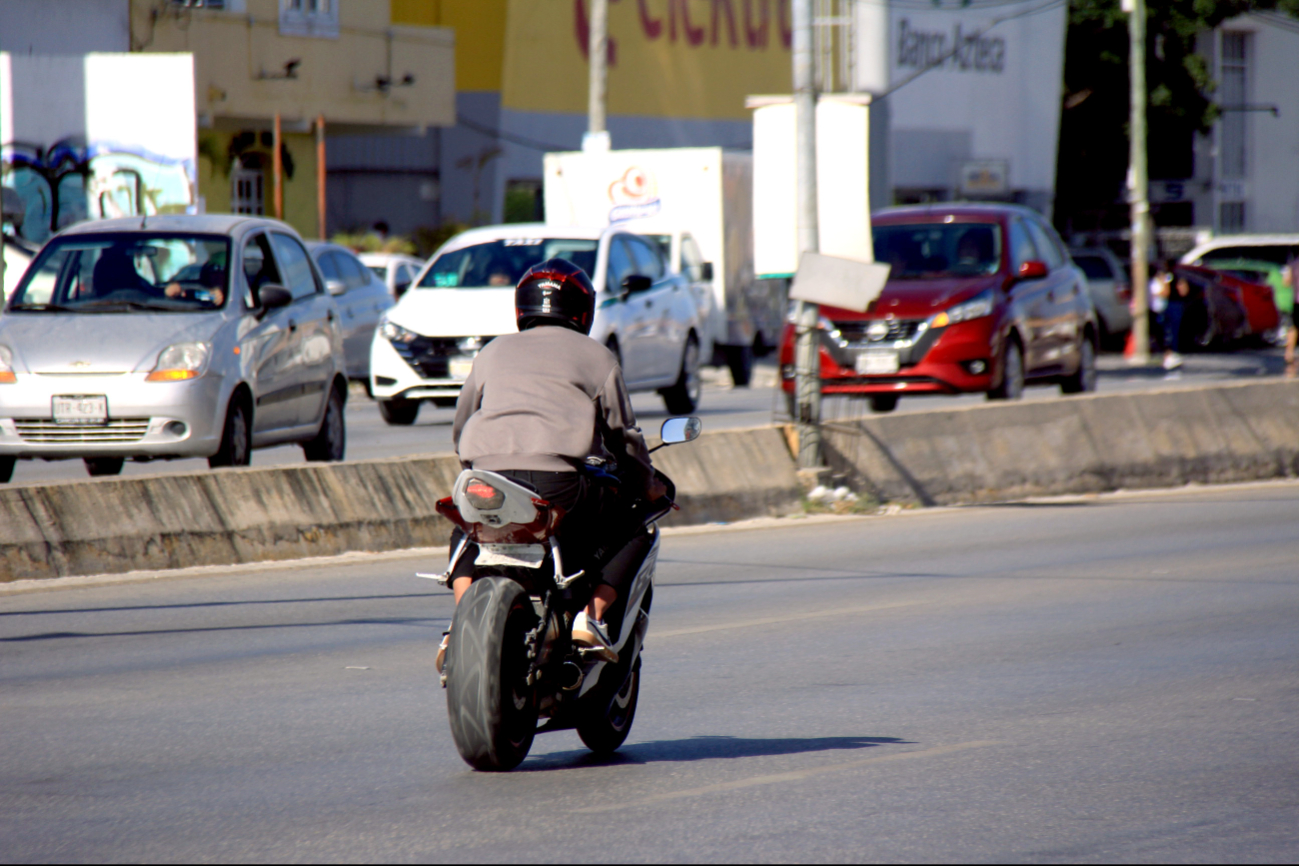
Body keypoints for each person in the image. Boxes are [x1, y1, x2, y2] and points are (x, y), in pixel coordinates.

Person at [437, 258, 668, 671]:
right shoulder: (597, 357)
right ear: (583, 311)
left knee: (470, 528)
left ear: (521, 307)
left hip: (485, 477)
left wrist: (479, 462)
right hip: (559, 485)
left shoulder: (491, 352)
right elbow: (624, 435)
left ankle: (459, 625)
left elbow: (462, 426)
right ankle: (591, 619)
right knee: (638, 526)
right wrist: (645, 482)